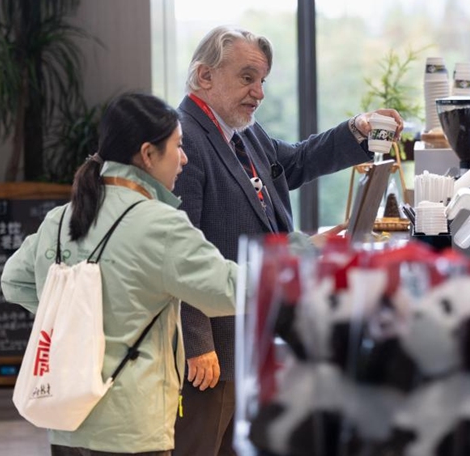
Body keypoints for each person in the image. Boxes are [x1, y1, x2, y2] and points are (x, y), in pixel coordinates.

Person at [171, 26, 404, 456]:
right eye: (247, 78)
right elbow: (180, 248)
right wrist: (197, 342)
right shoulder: (185, 140)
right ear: (204, 76)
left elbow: (295, 161)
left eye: (262, 81)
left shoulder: (244, 133)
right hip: (213, 348)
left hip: (251, 332)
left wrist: (358, 128)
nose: (258, 93)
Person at [1, 92, 240, 455]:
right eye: (177, 146)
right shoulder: (159, 223)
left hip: (66, 419)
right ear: (147, 154)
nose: (184, 158)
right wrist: (296, 259)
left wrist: (78, 316)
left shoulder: (61, 217)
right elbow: (226, 289)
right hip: (130, 425)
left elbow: (13, 281)